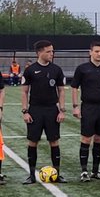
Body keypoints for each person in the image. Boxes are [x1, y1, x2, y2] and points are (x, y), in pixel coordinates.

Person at [20, 40, 66, 184]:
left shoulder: (56, 70)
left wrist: (62, 110)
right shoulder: (30, 70)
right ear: (39, 52)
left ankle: (57, 174)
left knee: (54, 141)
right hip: (35, 110)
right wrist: (25, 111)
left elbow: (61, 91)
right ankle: (32, 176)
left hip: (52, 109)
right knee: (33, 141)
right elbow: (24, 92)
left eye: (52, 51)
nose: (51, 54)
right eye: (48, 51)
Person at [70, 40, 100, 181]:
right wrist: (75, 106)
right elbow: (74, 87)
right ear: (90, 52)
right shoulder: (82, 69)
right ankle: (84, 171)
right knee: (86, 138)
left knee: (99, 138)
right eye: (96, 51)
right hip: (88, 106)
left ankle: (96, 171)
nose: (99, 54)